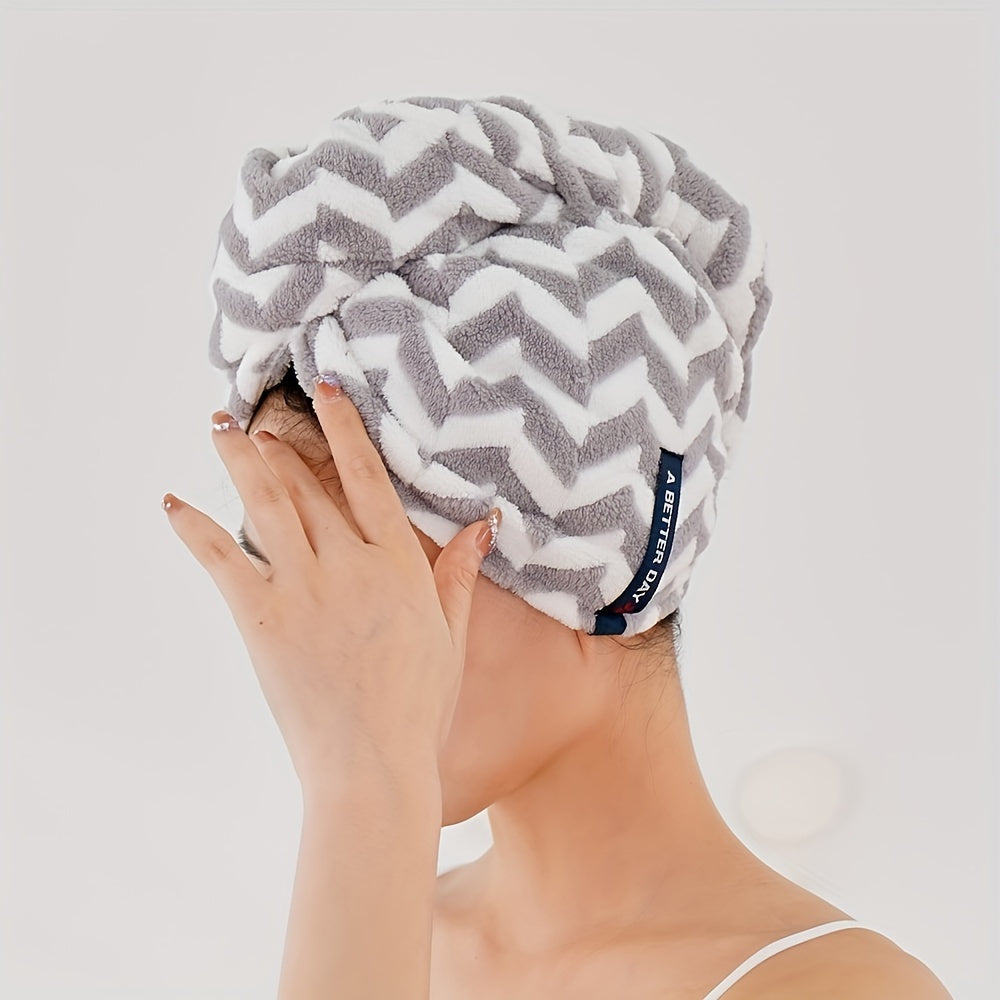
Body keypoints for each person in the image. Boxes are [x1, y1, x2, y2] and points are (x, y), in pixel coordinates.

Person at [164, 95, 954, 998]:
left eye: (372, 585)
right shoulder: (384, 923)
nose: (318, 658)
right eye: (290, 575)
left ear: (595, 571)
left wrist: (365, 793)